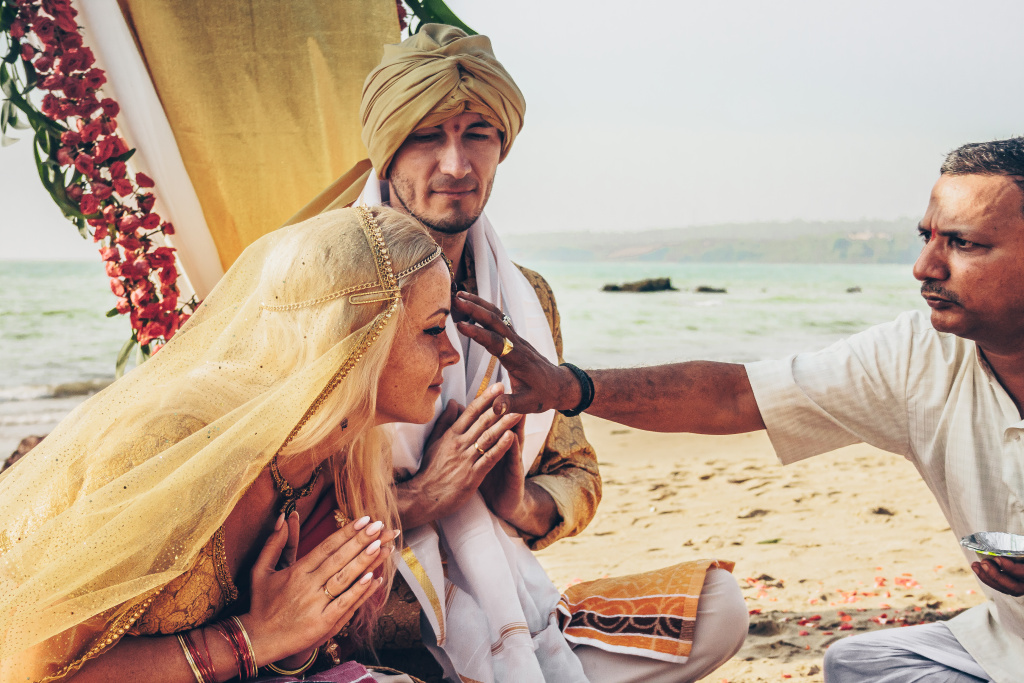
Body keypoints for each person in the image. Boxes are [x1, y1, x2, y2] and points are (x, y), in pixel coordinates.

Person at [457, 137, 1024, 683]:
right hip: (1005, 641)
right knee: (857, 664)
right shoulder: (918, 356)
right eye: (927, 238)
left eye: (963, 244)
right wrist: (569, 387)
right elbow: (735, 396)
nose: (925, 266)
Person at [286, 23, 748, 683]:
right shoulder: (321, 289)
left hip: (505, 601)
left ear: (502, 147)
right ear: (386, 152)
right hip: (359, 622)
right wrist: (421, 497)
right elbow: (272, 519)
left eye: (477, 134)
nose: (456, 165)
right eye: (427, 136)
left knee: (719, 607)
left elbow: (576, 472)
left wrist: (513, 502)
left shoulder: (525, 298)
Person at [0, 206, 471, 682]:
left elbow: (287, 649)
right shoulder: (175, 446)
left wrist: (293, 640)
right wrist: (252, 638)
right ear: (356, 336)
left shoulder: (345, 457)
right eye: (433, 328)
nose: (452, 353)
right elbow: (30, 668)